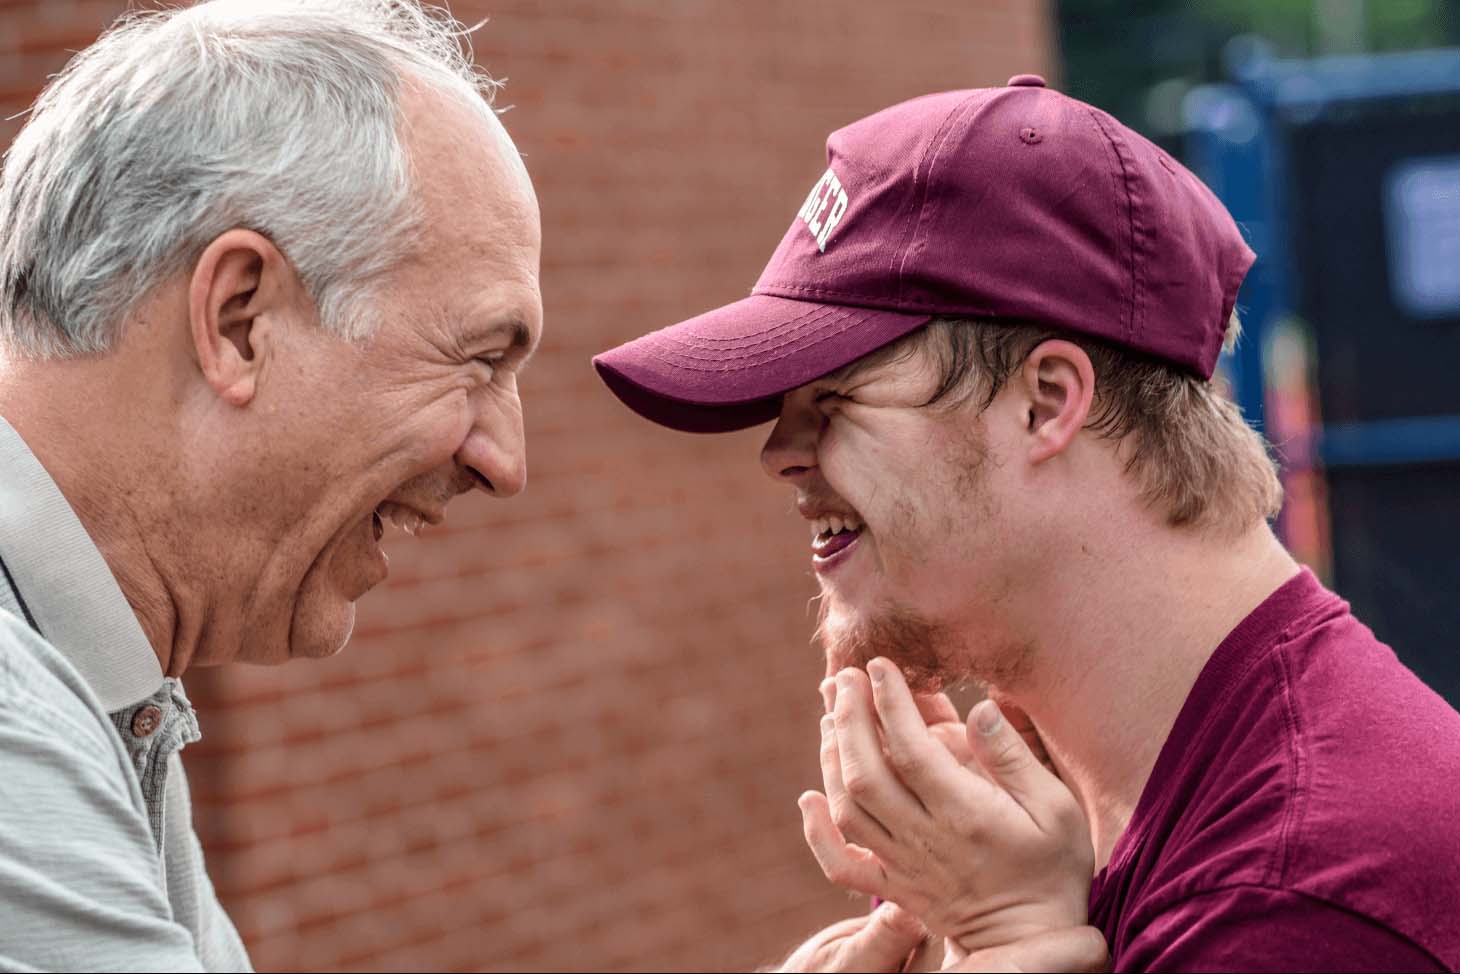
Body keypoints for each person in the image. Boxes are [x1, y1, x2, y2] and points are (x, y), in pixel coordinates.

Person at [594, 76, 1460, 971]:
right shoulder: (1127, 808)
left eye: (835, 397)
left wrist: (1009, 939)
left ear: (1047, 403)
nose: (780, 452)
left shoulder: (1295, 901)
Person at [0, 1, 541, 969]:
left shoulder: (94, 679)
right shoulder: (15, 720)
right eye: (478, 359)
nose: (504, 460)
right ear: (240, 318)